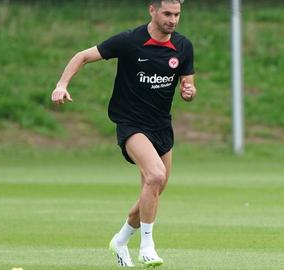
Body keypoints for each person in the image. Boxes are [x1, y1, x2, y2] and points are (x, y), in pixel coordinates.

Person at [50, 0, 196, 267]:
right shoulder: (130, 41)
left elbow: (188, 85)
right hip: (131, 125)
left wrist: (188, 91)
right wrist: (62, 84)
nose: (173, 19)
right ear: (152, 10)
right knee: (155, 175)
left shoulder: (183, 46)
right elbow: (83, 56)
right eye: (167, 13)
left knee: (154, 189)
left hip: (162, 127)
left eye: (177, 14)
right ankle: (147, 247)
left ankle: (120, 240)